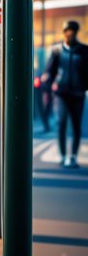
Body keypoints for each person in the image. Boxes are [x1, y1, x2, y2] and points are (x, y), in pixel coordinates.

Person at [42, 20, 88, 168]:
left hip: (78, 93)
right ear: (64, 32)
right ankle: (62, 155)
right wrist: (48, 81)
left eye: (72, 31)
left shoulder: (84, 50)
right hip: (61, 93)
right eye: (67, 31)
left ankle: (73, 156)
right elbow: (50, 70)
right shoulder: (57, 51)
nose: (69, 34)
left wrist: (84, 87)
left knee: (76, 125)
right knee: (61, 122)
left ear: (76, 33)